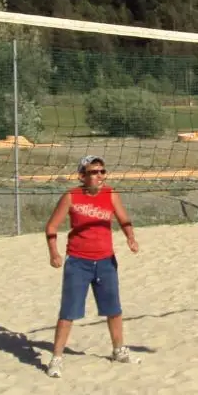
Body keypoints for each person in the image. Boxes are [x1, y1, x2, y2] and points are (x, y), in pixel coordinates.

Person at [43, 155, 140, 378]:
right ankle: (56, 358)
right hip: (78, 262)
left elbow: (124, 219)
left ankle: (119, 350)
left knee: (113, 309)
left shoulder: (111, 194)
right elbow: (51, 226)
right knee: (68, 312)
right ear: (82, 176)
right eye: (93, 172)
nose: (99, 176)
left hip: (106, 261)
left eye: (102, 171)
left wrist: (130, 238)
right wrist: (54, 253)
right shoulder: (71, 196)